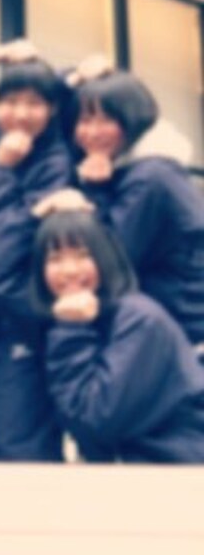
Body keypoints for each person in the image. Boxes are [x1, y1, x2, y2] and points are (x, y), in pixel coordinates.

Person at [34, 58, 204, 355]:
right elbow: (50, 119)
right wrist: (72, 77)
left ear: (132, 120)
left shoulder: (152, 176)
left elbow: (111, 256)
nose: (92, 133)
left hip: (185, 333)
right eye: (84, 121)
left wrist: (94, 191)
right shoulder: (131, 165)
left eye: (105, 121)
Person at [0, 49, 73, 461]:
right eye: (10, 101)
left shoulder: (57, 162)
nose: (20, 114)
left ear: (52, 109)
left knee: (18, 443)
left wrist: (2, 170)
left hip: (21, 314)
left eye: (34, 103)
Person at [31, 210, 204, 463]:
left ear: (105, 259)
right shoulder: (92, 320)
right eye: (55, 259)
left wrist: (71, 331)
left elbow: (94, 418)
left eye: (83, 256)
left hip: (177, 470)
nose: (69, 270)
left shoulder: (138, 320)